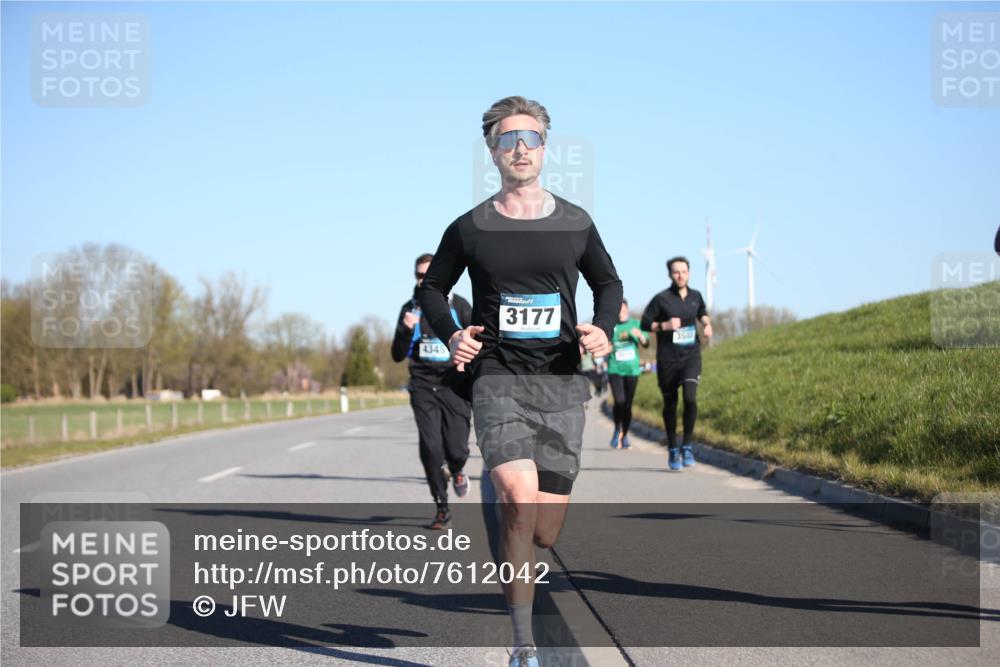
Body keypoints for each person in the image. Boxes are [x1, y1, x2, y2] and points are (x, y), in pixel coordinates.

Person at [418, 96, 622, 667]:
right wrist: (453, 332)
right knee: (516, 496)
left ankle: (518, 553)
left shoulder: (576, 221)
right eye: (507, 139)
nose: (520, 149)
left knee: (546, 530)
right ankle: (523, 643)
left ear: (545, 147)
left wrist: (602, 329)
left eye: (529, 137)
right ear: (491, 149)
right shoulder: (470, 226)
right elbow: (432, 289)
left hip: (560, 381)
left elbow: (608, 284)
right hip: (497, 377)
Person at [391, 253, 474, 529]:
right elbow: (396, 355)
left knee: (457, 448)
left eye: (428, 274)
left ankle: (459, 469)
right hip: (424, 384)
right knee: (431, 448)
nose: (423, 280)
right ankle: (442, 507)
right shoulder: (410, 309)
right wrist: (405, 331)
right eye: (419, 275)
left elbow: (478, 344)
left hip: (455, 383)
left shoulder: (460, 306)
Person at [641, 256, 713, 471]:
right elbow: (646, 323)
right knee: (670, 405)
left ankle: (687, 446)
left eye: (683, 271)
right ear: (670, 274)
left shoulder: (696, 296)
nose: (680, 275)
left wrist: (707, 325)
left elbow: (702, 312)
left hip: (691, 355)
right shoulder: (661, 299)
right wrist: (664, 325)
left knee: (690, 398)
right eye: (676, 272)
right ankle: (673, 448)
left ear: (689, 273)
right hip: (668, 359)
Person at [607, 299, 648, 449]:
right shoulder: (612, 326)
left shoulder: (635, 324)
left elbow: (646, 342)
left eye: (623, 309)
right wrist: (607, 347)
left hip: (632, 370)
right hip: (615, 369)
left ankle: (624, 434)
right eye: (618, 309)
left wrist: (641, 336)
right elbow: (606, 346)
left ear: (627, 309)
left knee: (628, 405)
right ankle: (617, 429)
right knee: (620, 401)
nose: (620, 312)